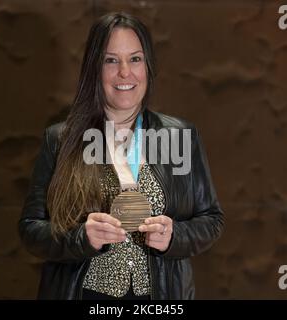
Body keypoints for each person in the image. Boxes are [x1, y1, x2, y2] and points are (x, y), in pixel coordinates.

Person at [19, 12, 224, 300]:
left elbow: (211, 219)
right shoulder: (60, 139)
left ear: (148, 66)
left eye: (135, 59)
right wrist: (81, 238)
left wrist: (174, 237)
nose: (125, 72)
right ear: (94, 68)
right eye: (111, 60)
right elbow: (31, 230)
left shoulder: (180, 136)